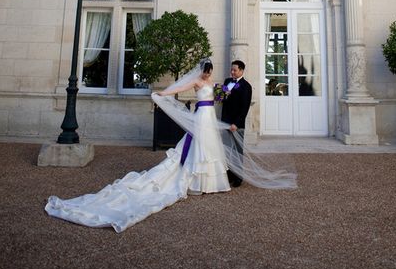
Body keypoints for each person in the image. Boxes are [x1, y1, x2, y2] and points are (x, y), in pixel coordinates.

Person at [45, 59, 296, 233]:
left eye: (211, 71)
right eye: (207, 71)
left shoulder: (219, 85)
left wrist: (229, 109)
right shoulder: (199, 82)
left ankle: (216, 182)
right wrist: (161, 95)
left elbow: (226, 100)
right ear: (203, 71)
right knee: (199, 149)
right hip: (202, 117)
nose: (209, 74)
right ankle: (197, 182)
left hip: (213, 119)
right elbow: (180, 88)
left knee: (213, 151)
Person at [221, 59, 252, 187]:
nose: (232, 72)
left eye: (235, 70)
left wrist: (236, 123)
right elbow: (221, 99)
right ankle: (229, 175)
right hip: (225, 122)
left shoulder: (246, 86)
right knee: (227, 150)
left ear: (241, 70)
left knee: (238, 151)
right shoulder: (227, 82)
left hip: (237, 125)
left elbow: (245, 108)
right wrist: (221, 94)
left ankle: (238, 177)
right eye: (231, 70)